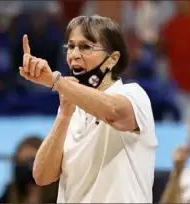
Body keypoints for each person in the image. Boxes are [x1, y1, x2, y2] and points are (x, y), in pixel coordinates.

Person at [19, 15, 157, 203]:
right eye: (71, 46)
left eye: (85, 47)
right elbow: (42, 176)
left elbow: (113, 112)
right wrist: (65, 115)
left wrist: (54, 81)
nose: (74, 54)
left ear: (112, 59)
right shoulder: (69, 108)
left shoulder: (134, 95)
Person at [0, 136, 59, 203]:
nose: (25, 166)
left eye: (31, 160)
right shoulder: (11, 191)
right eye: (21, 161)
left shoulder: (59, 191)